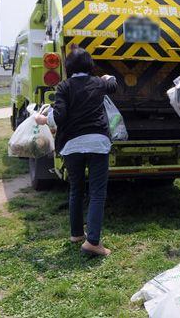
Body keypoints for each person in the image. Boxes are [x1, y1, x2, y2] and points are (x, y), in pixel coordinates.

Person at [35, 46, 117, 256]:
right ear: (90, 66)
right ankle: (93, 242)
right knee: (97, 192)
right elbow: (113, 85)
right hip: (98, 142)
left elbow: (59, 117)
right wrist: (108, 75)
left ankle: (76, 234)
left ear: (69, 67)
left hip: (72, 145)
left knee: (76, 189)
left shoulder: (64, 86)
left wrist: (43, 119)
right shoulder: (98, 83)